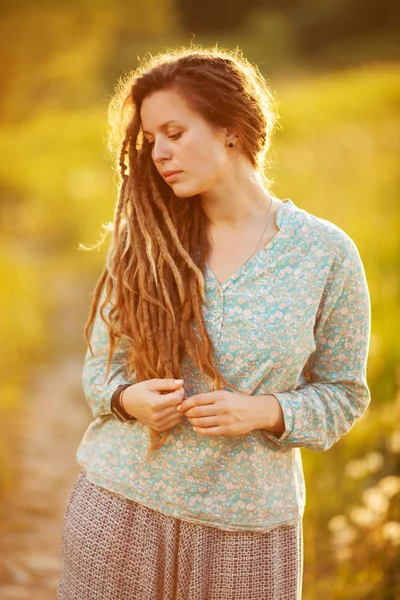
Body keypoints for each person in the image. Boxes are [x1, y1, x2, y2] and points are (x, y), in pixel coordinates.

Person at [56, 45, 371, 600]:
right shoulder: (144, 245)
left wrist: (265, 411)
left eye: (174, 132)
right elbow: (99, 372)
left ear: (230, 128)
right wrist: (130, 399)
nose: (159, 153)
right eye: (151, 140)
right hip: (121, 510)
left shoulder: (325, 254)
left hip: (248, 534)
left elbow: (343, 393)